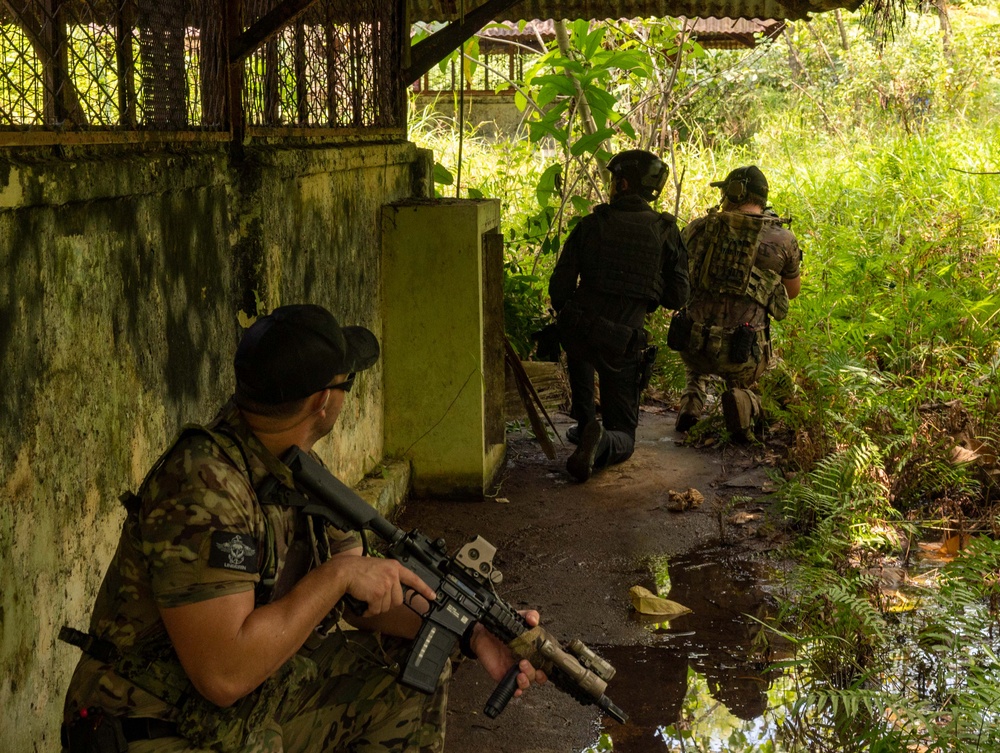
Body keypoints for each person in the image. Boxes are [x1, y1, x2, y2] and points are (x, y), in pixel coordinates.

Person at [61, 304, 545, 752]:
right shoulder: (203, 486)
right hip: (147, 722)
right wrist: (335, 577)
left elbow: (369, 601)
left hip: (226, 707)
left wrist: (473, 631)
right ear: (322, 401)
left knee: (406, 674)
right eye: (347, 382)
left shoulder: (291, 467)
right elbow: (224, 674)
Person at [549, 149, 689, 482]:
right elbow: (678, 296)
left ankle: (585, 424)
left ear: (623, 184)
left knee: (578, 343)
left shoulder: (591, 225)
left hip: (581, 333)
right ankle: (600, 441)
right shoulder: (666, 231)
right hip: (623, 342)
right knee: (624, 437)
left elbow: (559, 289)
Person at [672, 166, 801, 438]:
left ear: (735, 192)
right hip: (742, 356)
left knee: (697, 356)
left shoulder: (697, 228)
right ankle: (745, 402)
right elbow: (792, 292)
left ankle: (691, 404)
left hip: (692, 345)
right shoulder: (783, 239)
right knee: (782, 384)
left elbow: (677, 278)